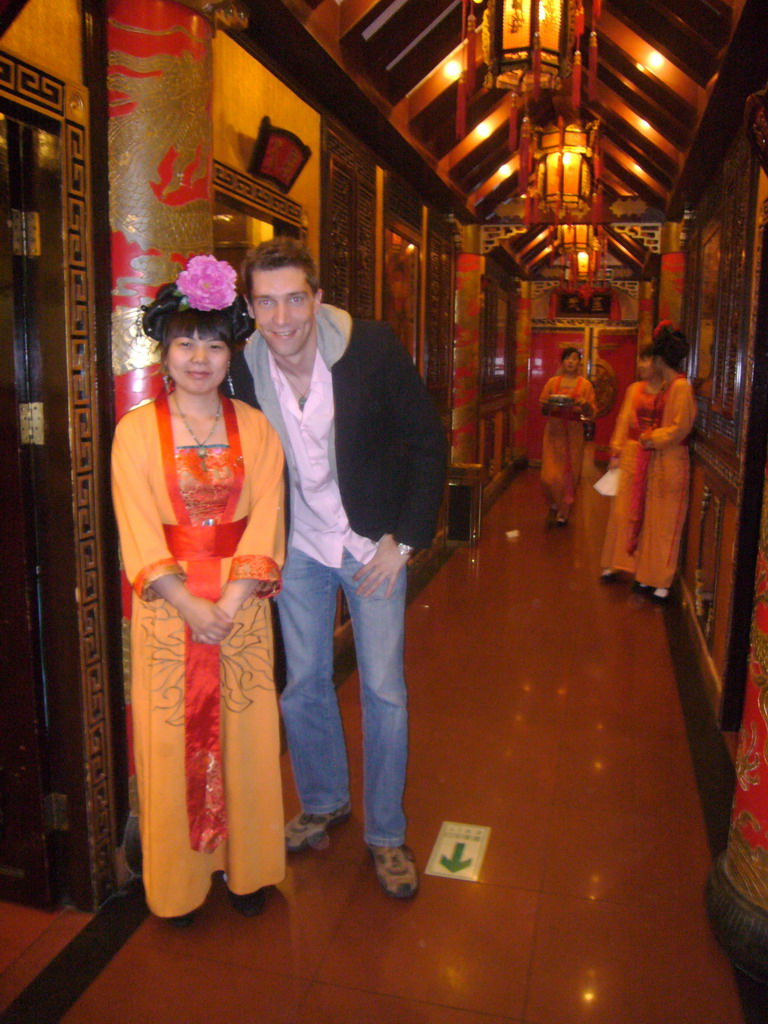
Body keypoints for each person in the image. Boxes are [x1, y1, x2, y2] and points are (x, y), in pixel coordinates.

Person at [230, 236, 446, 899]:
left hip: (371, 543)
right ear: (251, 308)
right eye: (267, 303)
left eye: (295, 298)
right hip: (297, 545)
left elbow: (428, 440)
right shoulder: (244, 367)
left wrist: (403, 540)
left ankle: (386, 833)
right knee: (303, 683)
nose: (283, 318)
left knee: (383, 689)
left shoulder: (371, 348)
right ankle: (324, 800)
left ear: (317, 299)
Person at [111, 255, 286, 926]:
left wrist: (231, 602)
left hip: (237, 614)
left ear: (231, 351)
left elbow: (267, 515)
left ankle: (249, 871)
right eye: (185, 341)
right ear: (164, 348)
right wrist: (187, 604)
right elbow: (134, 525)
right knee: (167, 743)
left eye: (214, 343)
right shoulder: (134, 433)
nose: (199, 357)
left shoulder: (257, 428)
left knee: (245, 737)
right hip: (168, 614)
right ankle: (179, 885)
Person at [633, 321, 697, 603]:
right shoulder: (669, 387)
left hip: (673, 461)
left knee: (668, 522)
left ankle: (662, 581)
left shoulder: (681, 387)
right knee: (654, 519)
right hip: (660, 459)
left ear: (660, 359)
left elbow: (680, 428)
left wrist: (652, 437)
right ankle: (647, 575)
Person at [599, 344, 664, 582]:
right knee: (621, 509)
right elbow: (623, 420)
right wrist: (615, 451)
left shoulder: (668, 391)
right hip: (631, 455)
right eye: (640, 360)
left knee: (650, 512)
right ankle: (614, 562)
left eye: (646, 360)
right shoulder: (634, 389)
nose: (641, 365)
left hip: (657, 457)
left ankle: (643, 568)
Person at [539, 346, 596, 525]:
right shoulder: (552, 383)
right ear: (562, 362)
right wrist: (550, 404)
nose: (571, 362)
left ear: (579, 363)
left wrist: (584, 404)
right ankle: (555, 502)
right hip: (554, 431)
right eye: (567, 359)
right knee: (548, 475)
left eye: (574, 359)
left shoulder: (585, 385)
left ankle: (563, 512)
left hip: (573, 432)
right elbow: (543, 408)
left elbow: (591, 412)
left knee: (569, 474)